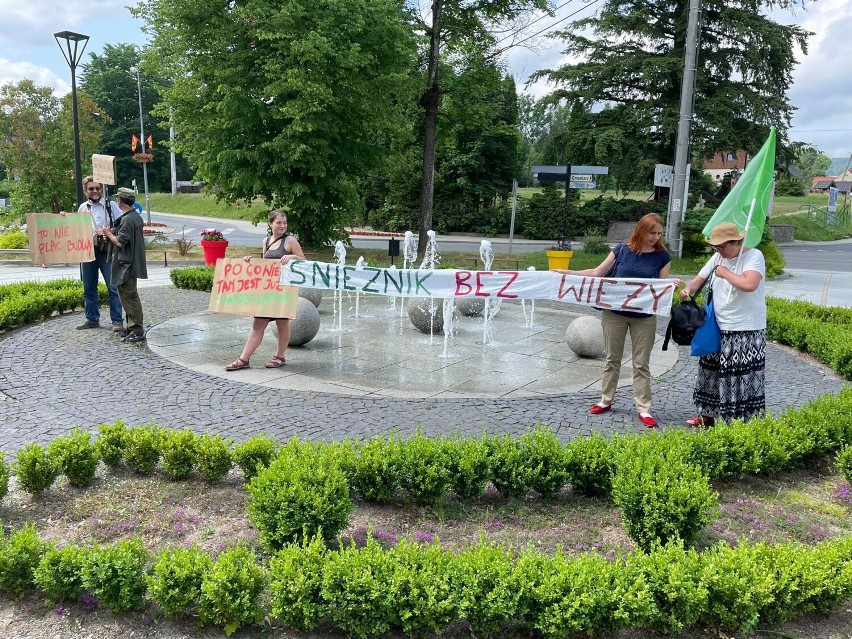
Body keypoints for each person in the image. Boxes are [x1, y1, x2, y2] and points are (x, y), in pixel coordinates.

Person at [553, 213, 675, 428]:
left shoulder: (662, 256)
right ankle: (605, 400)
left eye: (659, 233)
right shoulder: (621, 250)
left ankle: (644, 409)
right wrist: (567, 273)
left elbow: (661, 287)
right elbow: (597, 272)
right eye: (652, 232)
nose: (655, 237)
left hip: (644, 317)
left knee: (641, 364)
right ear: (641, 230)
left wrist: (672, 286)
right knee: (612, 359)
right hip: (614, 313)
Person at [679, 222, 766, 427]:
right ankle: (707, 415)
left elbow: (749, 284)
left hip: (745, 328)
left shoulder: (754, 256)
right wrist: (688, 289)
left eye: (722, 246)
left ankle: (737, 421)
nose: (718, 251)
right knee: (709, 371)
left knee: (736, 376)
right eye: (715, 247)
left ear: (736, 242)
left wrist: (725, 273)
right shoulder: (718, 257)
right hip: (717, 324)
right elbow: (699, 279)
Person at [225, 210, 305, 371]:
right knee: (258, 323)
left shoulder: (290, 241)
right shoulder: (266, 241)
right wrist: (250, 261)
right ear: (270, 224)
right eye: (279, 223)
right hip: (268, 291)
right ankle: (244, 359)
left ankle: (278, 357)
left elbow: (303, 260)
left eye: (285, 223)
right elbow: (264, 263)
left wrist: (291, 257)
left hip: (283, 289)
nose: (282, 225)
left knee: (282, 322)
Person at [100, 188, 148, 343]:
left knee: (129, 297)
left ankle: (137, 329)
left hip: (126, 264)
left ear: (120, 200)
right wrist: (112, 230)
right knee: (127, 296)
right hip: (128, 262)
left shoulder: (128, 219)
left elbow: (120, 242)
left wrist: (108, 233)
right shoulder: (133, 217)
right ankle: (132, 327)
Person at [76, 176, 124, 332]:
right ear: (85, 191)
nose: (95, 191)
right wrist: (64, 217)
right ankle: (91, 319)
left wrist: (109, 231)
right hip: (88, 251)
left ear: (102, 189)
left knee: (113, 287)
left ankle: (117, 321)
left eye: (97, 188)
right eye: (91, 188)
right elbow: (75, 227)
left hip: (107, 251)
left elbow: (122, 225)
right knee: (89, 287)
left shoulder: (110, 206)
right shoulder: (82, 208)